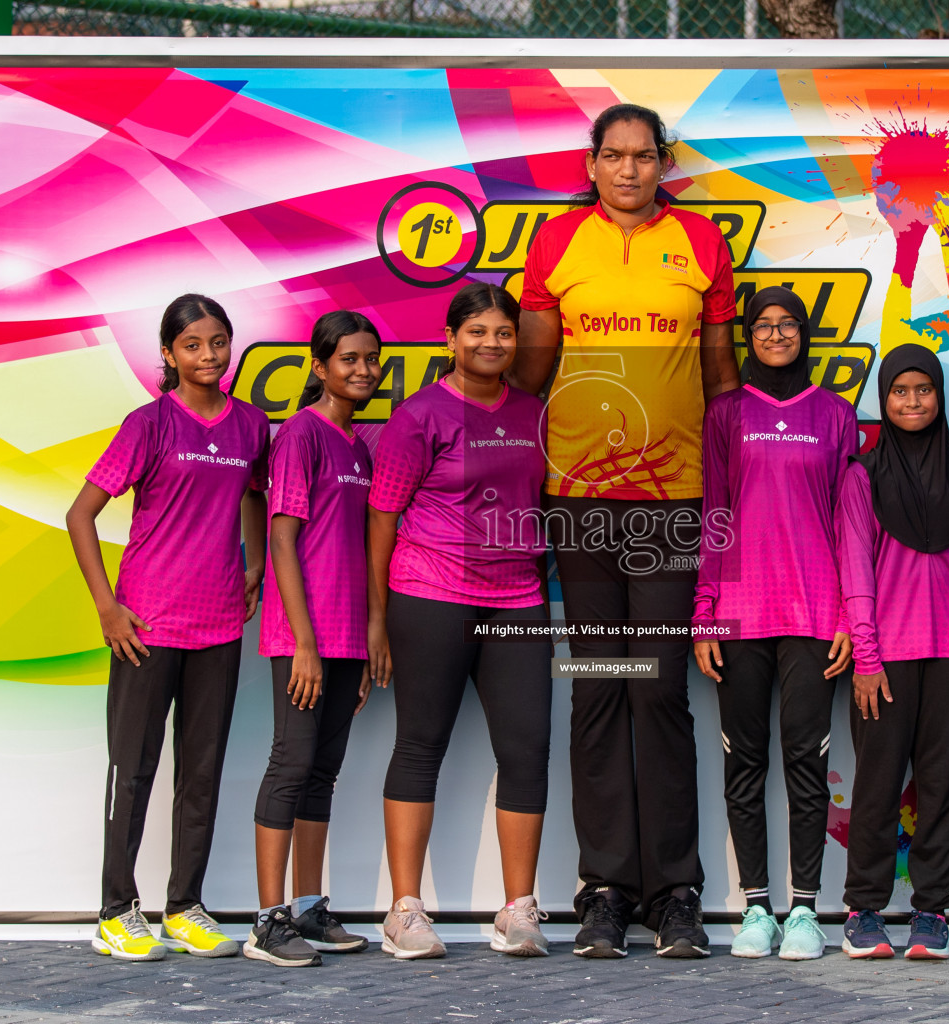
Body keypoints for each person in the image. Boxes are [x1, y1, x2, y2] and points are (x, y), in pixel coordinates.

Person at [513, 102, 740, 959]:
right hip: (579, 500)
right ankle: (605, 888)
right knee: (600, 687)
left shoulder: (702, 244)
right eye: (614, 157)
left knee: (660, 689)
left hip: (672, 503)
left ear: (664, 163)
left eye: (645, 158)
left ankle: (675, 890)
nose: (630, 172)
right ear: (592, 163)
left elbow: (722, 378)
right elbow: (532, 372)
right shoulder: (557, 244)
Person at [66, 294, 269, 962]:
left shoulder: (249, 426)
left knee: (202, 771)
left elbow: (252, 495)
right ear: (168, 353)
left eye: (219, 343)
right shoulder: (149, 424)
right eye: (193, 345)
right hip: (146, 625)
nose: (209, 356)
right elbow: (81, 515)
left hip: (218, 626)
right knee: (134, 769)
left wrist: (255, 565)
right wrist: (107, 607)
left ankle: (184, 906)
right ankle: (115, 911)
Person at [367, 283, 552, 960]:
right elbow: (382, 515)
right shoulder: (419, 416)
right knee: (421, 746)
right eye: (477, 332)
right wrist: (378, 618)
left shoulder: (535, 412)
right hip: (431, 593)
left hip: (518, 601)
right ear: (450, 339)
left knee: (528, 750)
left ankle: (519, 910)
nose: (491, 344)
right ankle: (404, 911)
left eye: (503, 333)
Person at [692, 287, 856, 960]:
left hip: (816, 612)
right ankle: (756, 907)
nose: (777, 334)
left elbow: (852, 522)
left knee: (805, 764)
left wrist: (851, 610)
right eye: (764, 324)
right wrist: (704, 614)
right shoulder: (727, 412)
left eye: (788, 324)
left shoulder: (836, 414)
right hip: (740, 612)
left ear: (804, 333)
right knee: (745, 761)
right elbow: (716, 513)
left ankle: (807, 911)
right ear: (748, 335)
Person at [835, 344, 949, 962]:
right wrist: (868, 660)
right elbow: (855, 572)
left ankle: (932, 911)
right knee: (876, 786)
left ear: (939, 397)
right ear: (884, 399)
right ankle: (864, 909)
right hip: (889, 659)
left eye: (923, 390)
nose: (911, 401)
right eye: (899, 391)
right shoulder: (862, 476)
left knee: (940, 787)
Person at [244, 312, 382, 968]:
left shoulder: (357, 446)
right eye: (349, 359)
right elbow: (280, 539)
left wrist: (356, 646)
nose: (362, 369)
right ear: (320, 365)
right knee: (291, 765)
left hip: (346, 637)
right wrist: (303, 642)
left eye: (370, 359)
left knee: (321, 774)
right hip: (303, 636)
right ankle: (268, 921)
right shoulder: (301, 435)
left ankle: (307, 905)